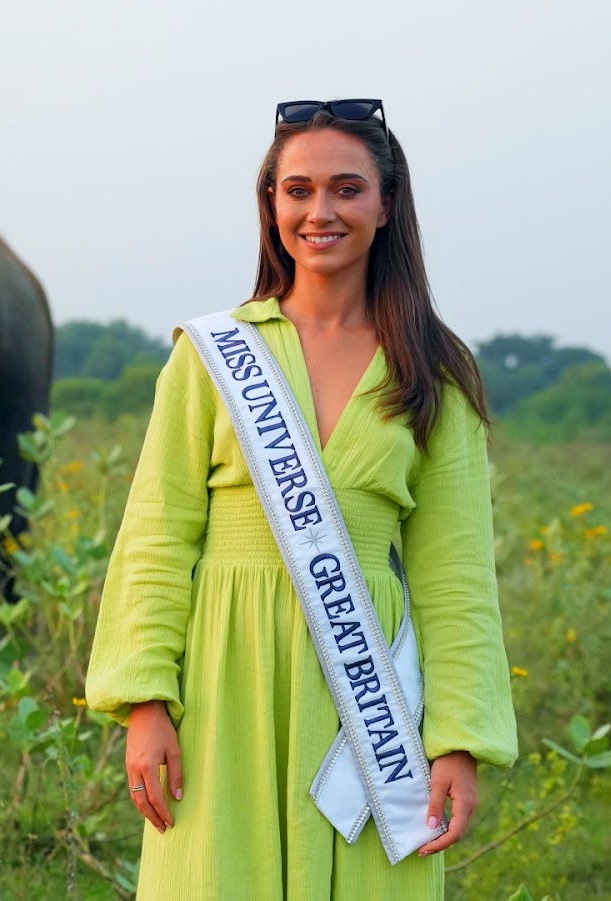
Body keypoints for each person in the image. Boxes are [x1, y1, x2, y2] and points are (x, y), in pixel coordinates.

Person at [83, 99, 520, 899]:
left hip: (370, 698)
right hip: (225, 683)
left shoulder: (434, 371)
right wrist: (145, 701)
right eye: (298, 190)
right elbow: (155, 538)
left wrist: (457, 740)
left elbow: (458, 578)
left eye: (347, 189)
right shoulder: (212, 358)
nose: (320, 211)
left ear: (387, 205)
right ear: (272, 205)